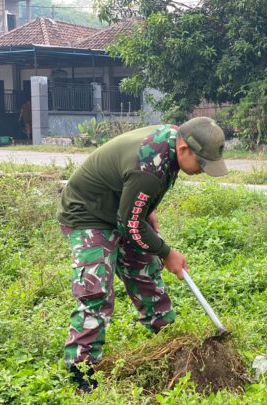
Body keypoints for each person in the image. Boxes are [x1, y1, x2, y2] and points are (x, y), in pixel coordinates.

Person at [56, 117, 228, 392]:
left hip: (119, 208)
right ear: (184, 149)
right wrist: (166, 252)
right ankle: (81, 370)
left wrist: (147, 209)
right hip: (88, 212)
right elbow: (132, 224)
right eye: (202, 163)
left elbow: (136, 198)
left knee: (145, 272)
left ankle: (169, 339)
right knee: (96, 291)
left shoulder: (173, 140)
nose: (203, 171)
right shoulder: (149, 168)